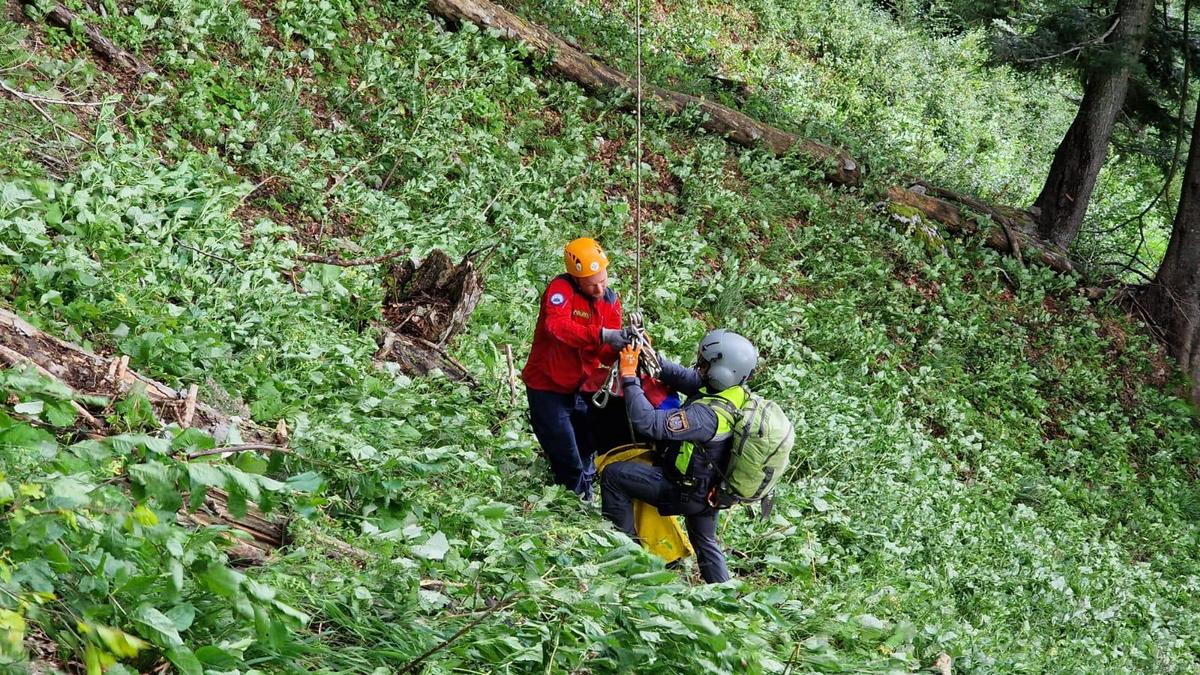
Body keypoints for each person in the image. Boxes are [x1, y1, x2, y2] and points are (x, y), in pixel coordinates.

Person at [600, 329, 759, 583]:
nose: (700, 367)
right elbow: (687, 379)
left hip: (684, 490)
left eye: (705, 364)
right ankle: (725, 598)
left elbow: (648, 422)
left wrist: (629, 377)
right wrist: (649, 356)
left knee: (613, 475)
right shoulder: (733, 393)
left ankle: (626, 556)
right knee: (705, 543)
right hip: (710, 491)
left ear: (722, 371)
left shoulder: (706, 417)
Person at [521, 238, 629, 499]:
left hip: (582, 385)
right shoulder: (561, 291)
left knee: (587, 441)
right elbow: (556, 327)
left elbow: (604, 352)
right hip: (547, 384)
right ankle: (577, 495)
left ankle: (585, 483)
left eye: (603, 281)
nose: (599, 288)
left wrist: (622, 344)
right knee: (563, 447)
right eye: (592, 284)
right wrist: (601, 334)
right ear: (577, 278)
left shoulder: (610, 301)